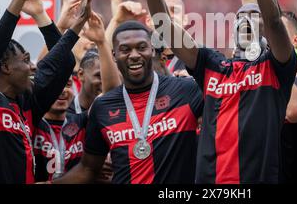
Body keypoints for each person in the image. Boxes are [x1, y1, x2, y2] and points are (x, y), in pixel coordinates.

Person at [135, 0, 297, 184]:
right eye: (242, 16)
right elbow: (164, 25)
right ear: (232, 28)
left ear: (264, 30)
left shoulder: (275, 67)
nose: (248, 21)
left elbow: (276, 21)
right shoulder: (213, 65)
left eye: (256, 18)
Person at [0, 0, 92, 183]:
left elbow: (63, 64)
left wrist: (48, 17)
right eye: (25, 60)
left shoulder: (28, 103)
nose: (33, 67)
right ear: (5, 67)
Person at [52, 21, 203, 184]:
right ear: (114, 55)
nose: (134, 55)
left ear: (152, 50)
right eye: (125, 49)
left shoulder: (186, 90)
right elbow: (88, 168)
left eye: (141, 47)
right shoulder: (102, 107)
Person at [33, 78, 87, 182]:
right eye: (53, 85)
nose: (62, 90)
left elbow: (110, 92)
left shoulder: (83, 121)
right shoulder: (30, 122)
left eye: (67, 84)